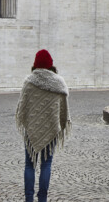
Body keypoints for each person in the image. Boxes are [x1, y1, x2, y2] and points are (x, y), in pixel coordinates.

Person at [16, 49, 70, 202]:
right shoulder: (59, 83)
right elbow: (63, 109)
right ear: (51, 65)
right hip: (51, 129)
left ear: (35, 64)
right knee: (46, 165)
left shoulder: (29, 82)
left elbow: (22, 108)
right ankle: (42, 199)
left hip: (31, 130)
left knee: (29, 165)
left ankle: (28, 199)